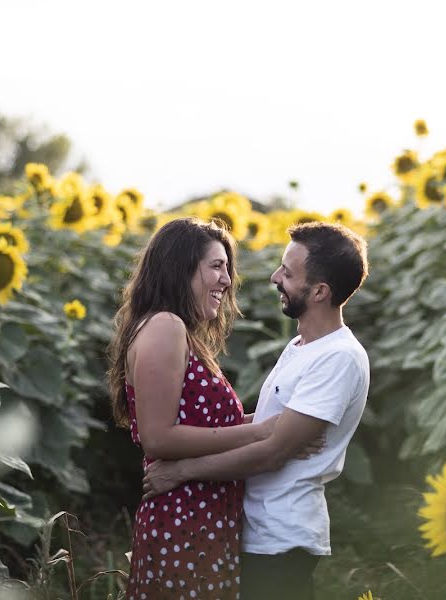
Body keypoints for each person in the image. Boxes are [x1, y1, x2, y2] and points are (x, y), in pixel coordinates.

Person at [143, 221, 370, 600]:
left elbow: (273, 452)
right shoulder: (302, 345)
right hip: (256, 530)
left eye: (288, 272)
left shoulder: (339, 358)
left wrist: (181, 472)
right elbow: (269, 428)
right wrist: (264, 428)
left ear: (319, 291)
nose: (275, 276)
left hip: (281, 539)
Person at [107, 217, 282, 599]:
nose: (226, 280)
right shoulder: (164, 327)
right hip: (183, 521)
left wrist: (283, 418)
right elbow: (158, 437)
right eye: (216, 266)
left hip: (203, 519)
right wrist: (261, 431)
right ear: (180, 268)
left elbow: (215, 424)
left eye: (227, 268)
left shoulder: (180, 332)